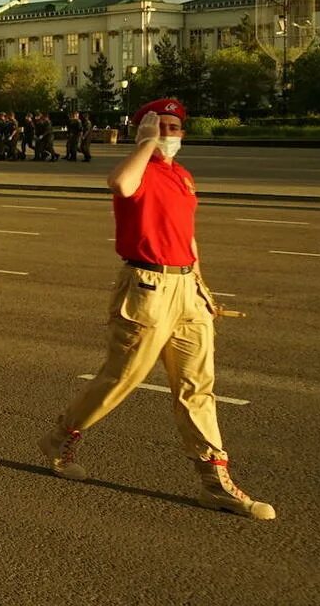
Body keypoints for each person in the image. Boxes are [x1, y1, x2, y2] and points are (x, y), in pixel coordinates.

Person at [37, 98, 275, 520]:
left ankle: (214, 483)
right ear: (144, 130)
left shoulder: (182, 175)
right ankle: (60, 437)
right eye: (159, 126)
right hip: (146, 287)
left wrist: (201, 285)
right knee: (120, 379)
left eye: (175, 127)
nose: (169, 134)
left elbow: (188, 236)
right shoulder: (139, 169)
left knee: (197, 388)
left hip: (187, 289)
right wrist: (144, 143)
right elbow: (120, 185)